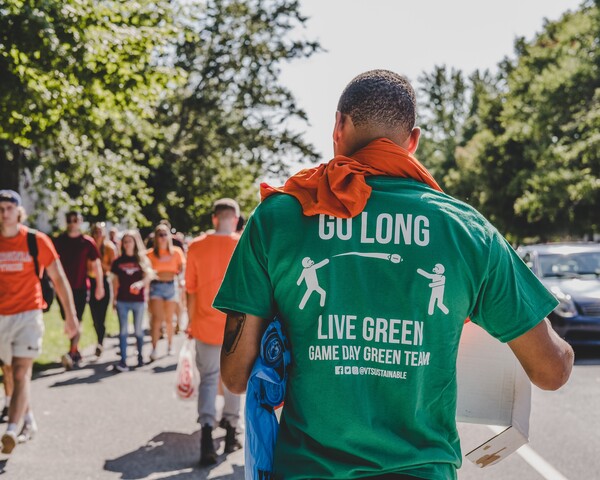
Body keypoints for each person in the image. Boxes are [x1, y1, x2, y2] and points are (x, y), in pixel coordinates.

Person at [213, 70, 574, 480]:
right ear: (413, 141)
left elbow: (235, 375)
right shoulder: (467, 231)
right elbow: (551, 372)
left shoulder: (279, 217)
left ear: (338, 126)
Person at [0, 190, 79, 454]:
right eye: (0, 208)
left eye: (9, 207)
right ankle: (28, 419)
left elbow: (59, 278)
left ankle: (10, 430)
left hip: (29, 314)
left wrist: (71, 316)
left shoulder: (36, 241)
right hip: (1, 316)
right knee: (9, 372)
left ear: (19, 211)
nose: (4, 212)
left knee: (22, 371)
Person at [185, 198, 242, 466]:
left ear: (214, 218)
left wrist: (190, 322)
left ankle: (207, 433)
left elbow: (191, 290)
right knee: (232, 380)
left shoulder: (196, 247)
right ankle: (231, 432)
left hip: (204, 324)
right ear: (236, 218)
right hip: (236, 327)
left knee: (208, 379)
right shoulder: (242, 243)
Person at [53, 211, 104, 370]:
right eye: (69, 219)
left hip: (81, 287)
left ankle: (72, 352)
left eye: (76, 219)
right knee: (67, 319)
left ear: (81, 221)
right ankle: (75, 348)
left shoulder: (87, 242)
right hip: (62, 288)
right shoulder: (59, 241)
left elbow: (96, 265)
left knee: (77, 319)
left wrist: (100, 286)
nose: (72, 222)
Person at [111, 230, 153, 371]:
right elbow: (115, 283)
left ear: (135, 243)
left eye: (130, 241)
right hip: (122, 300)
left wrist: (140, 284)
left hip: (138, 300)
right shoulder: (117, 262)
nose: (128, 244)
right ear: (122, 244)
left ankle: (140, 357)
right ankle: (123, 360)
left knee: (138, 330)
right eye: (125, 241)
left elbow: (148, 276)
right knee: (123, 331)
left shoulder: (141, 260)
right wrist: (114, 300)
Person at [146, 224, 185, 360]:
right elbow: (146, 271)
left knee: (169, 319)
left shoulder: (176, 252)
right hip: (156, 286)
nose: (162, 237)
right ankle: (154, 348)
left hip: (170, 285)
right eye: (160, 235)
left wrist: (181, 280)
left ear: (169, 236)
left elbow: (181, 269)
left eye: (165, 234)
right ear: (156, 238)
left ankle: (170, 345)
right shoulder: (150, 254)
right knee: (157, 319)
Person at [89, 222, 117, 357]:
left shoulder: (109, 248)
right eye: (96, 232)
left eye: (100, 232)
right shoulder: (89, 247)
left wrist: (100, 267)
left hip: (104, 281)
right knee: (94, 315)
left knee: (102, 314)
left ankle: (100, 341)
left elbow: (114, 267)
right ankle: (99, 337)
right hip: (91, 282)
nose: (98, 235)